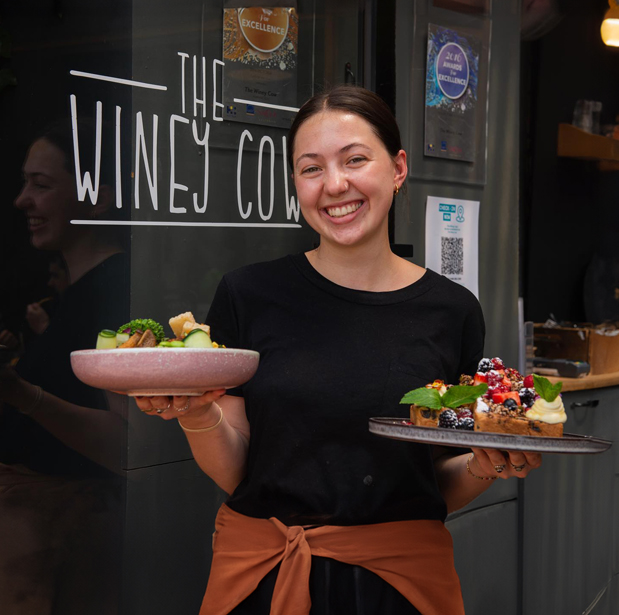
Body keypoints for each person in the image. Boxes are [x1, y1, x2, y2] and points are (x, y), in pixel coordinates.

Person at [136, 85, 542, 614]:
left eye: (355, 160)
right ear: (296, 183)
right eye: (311, 168)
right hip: (266, 575)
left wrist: (488, 465)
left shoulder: (452, 310)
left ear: (397, 169)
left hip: (398, 586)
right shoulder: (248, 294)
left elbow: (430, 484)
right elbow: (238, 470)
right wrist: (195, 413)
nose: (335, 185)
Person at [0, 121, 127, 614]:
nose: (22, 201)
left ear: (97, 198)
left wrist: (21, 395)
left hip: (61, 549)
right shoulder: (74, 294)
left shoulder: (113, 292)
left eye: (42, 185)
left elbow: (126, 442)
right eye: (25, 182)